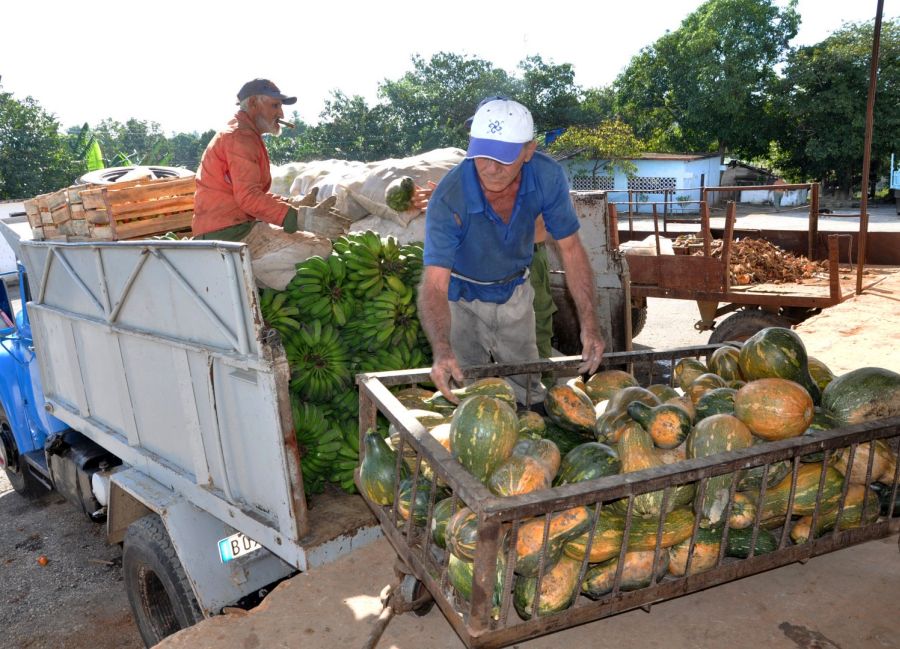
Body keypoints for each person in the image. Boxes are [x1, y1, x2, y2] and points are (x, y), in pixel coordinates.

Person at [418, 99, 605, 404]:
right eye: (482, 156)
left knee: (526, 386)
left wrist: (590, 324)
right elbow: (435, 283)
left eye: (502, 158)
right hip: (461, 297)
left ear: (529, 151)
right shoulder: (450, 196)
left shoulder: (547, 177)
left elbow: (571, 251)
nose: (490, 169)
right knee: (468, 391)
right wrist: (441, 348)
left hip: (515, 290)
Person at [411, 97, 557, 360]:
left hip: (526, 261)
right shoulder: (471, 170)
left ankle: (537, 392)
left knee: (534, 334)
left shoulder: (529, 169)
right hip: (479, 270)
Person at [192, 78, 349, 290]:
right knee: (318, 248)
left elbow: (253, 193)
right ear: (254, 104)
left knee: (315, 243)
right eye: (275, 105)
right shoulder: (240, 137)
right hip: (228, 233)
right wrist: (300, 218)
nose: (281, 114)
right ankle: (247, 272)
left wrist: (294, 204)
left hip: (236, 226)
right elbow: (248, 197)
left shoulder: (244, 134)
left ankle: (256, 273)